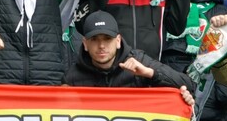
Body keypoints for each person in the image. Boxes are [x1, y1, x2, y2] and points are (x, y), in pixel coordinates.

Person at [64, 11, 194, 94]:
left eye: (107, 38)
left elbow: (188, 85)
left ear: (118, 41)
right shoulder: (72, 77)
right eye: (94, 39)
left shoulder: (138, 61)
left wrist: (149, 73)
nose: (101, 45)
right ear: (85, 44)